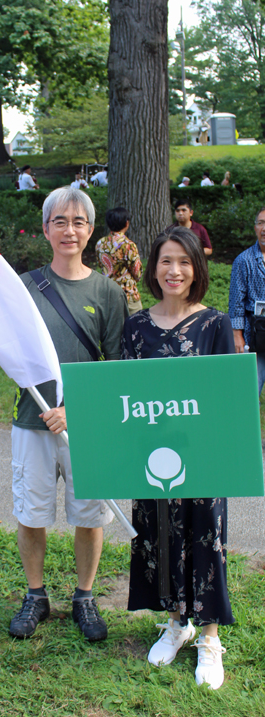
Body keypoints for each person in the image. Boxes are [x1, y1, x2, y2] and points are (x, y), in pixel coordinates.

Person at [9, 186, 128, 642]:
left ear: (91, 230)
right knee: (32, 512)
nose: (69, 230)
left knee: (89, 514)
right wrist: (50, 408)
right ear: (45, 229)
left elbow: (115, 368)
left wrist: (73, 410)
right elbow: (9, 350)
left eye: (78, 222)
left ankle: (84, 596)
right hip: (32, 420)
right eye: (60, 221)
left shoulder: (108, 292)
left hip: (88, 425)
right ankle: (35, 595)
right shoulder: (23, 287)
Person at [122, 226, 234, 690]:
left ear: (197, 269)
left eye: (184, 262)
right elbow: (123, 394)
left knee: (205, 534)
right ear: (153, 268)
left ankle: (208, 637)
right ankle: (176, 622)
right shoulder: (136, 326)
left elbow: (227, 398)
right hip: (153, 456)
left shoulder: (215, 324)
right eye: (166, 261)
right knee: (161, 533)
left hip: (202, 456)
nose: (175, 270)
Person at [229, 206, 265, 396]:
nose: (264, 228)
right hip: (256, 333)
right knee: (250, 389)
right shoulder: (243, 260)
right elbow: (236, 301)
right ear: (255, 228)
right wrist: (237, 335)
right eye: (261, 223)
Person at [96, 207, 143, 315]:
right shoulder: (129, 245)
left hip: (107, 293)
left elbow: (101, 264)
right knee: (136, 323)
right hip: (127, 294)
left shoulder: (100, 244)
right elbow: (137, 272)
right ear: (127, 223)